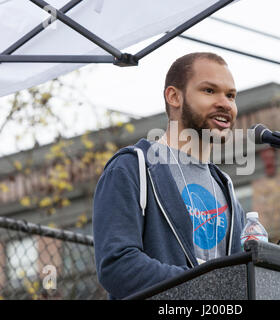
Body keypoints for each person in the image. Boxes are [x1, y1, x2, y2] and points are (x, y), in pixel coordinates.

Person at [92, 52, 246, 300]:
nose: (225, 104)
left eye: (230, 95)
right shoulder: (131, 168)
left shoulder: (226, 188)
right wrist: (205, 288)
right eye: (209, 91)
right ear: (174, 96)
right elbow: (118, 266)